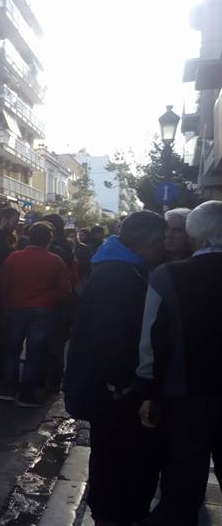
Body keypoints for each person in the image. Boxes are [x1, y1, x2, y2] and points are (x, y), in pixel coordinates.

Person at [64, 210, 167, 526]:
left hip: (111, 385)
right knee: (113, 452)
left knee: (112, 451)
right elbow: (111, 333)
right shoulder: (118, 274)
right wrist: (118, 382)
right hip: (112, 389)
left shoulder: (122, 267)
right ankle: (110, 513)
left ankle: (113, 509)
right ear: (150, 241)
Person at [134, 201, 222, 526]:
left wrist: (148, 392)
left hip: (185, 395)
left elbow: (152, 341)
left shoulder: (167, 275)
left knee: (183, 480)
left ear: (195, 237)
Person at [0, 222, 72, 406]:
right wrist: (49, 298)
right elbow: (65, 290)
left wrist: (6, 303)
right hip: (43, 309)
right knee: (34, 353)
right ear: (49, 240)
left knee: (12, 350)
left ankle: (9, 389)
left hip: (15, 307)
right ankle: (26, 394)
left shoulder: (14, 257)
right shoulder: (55, 260)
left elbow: (3, 283)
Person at [43, 214, 79, 394]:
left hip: (51, 302)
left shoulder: (53, 250)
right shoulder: (69, 247)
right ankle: (54, 381)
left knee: (49, 345)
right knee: (56, 345)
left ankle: (48, 380)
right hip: (63, 304)